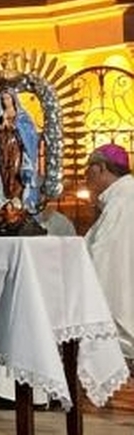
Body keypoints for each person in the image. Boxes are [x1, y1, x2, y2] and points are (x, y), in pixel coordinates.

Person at [83, 143, 134, 360]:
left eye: (88, 168)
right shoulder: (122, 197)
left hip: (119, 330)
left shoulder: (121, 203)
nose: (85, 175)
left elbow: (105, 262)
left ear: (101, 167)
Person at [0, 88, 41, 212]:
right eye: (3, 99)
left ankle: (17, 199)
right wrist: (1, 124)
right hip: (2, 147)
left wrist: (16, 128)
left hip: (16, 148)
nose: (6, 102)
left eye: (8, 98)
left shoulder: (22, 115)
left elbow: (30, 133)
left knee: (15, 172)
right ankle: (5, 199)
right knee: (3, 171)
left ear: (13, 99)